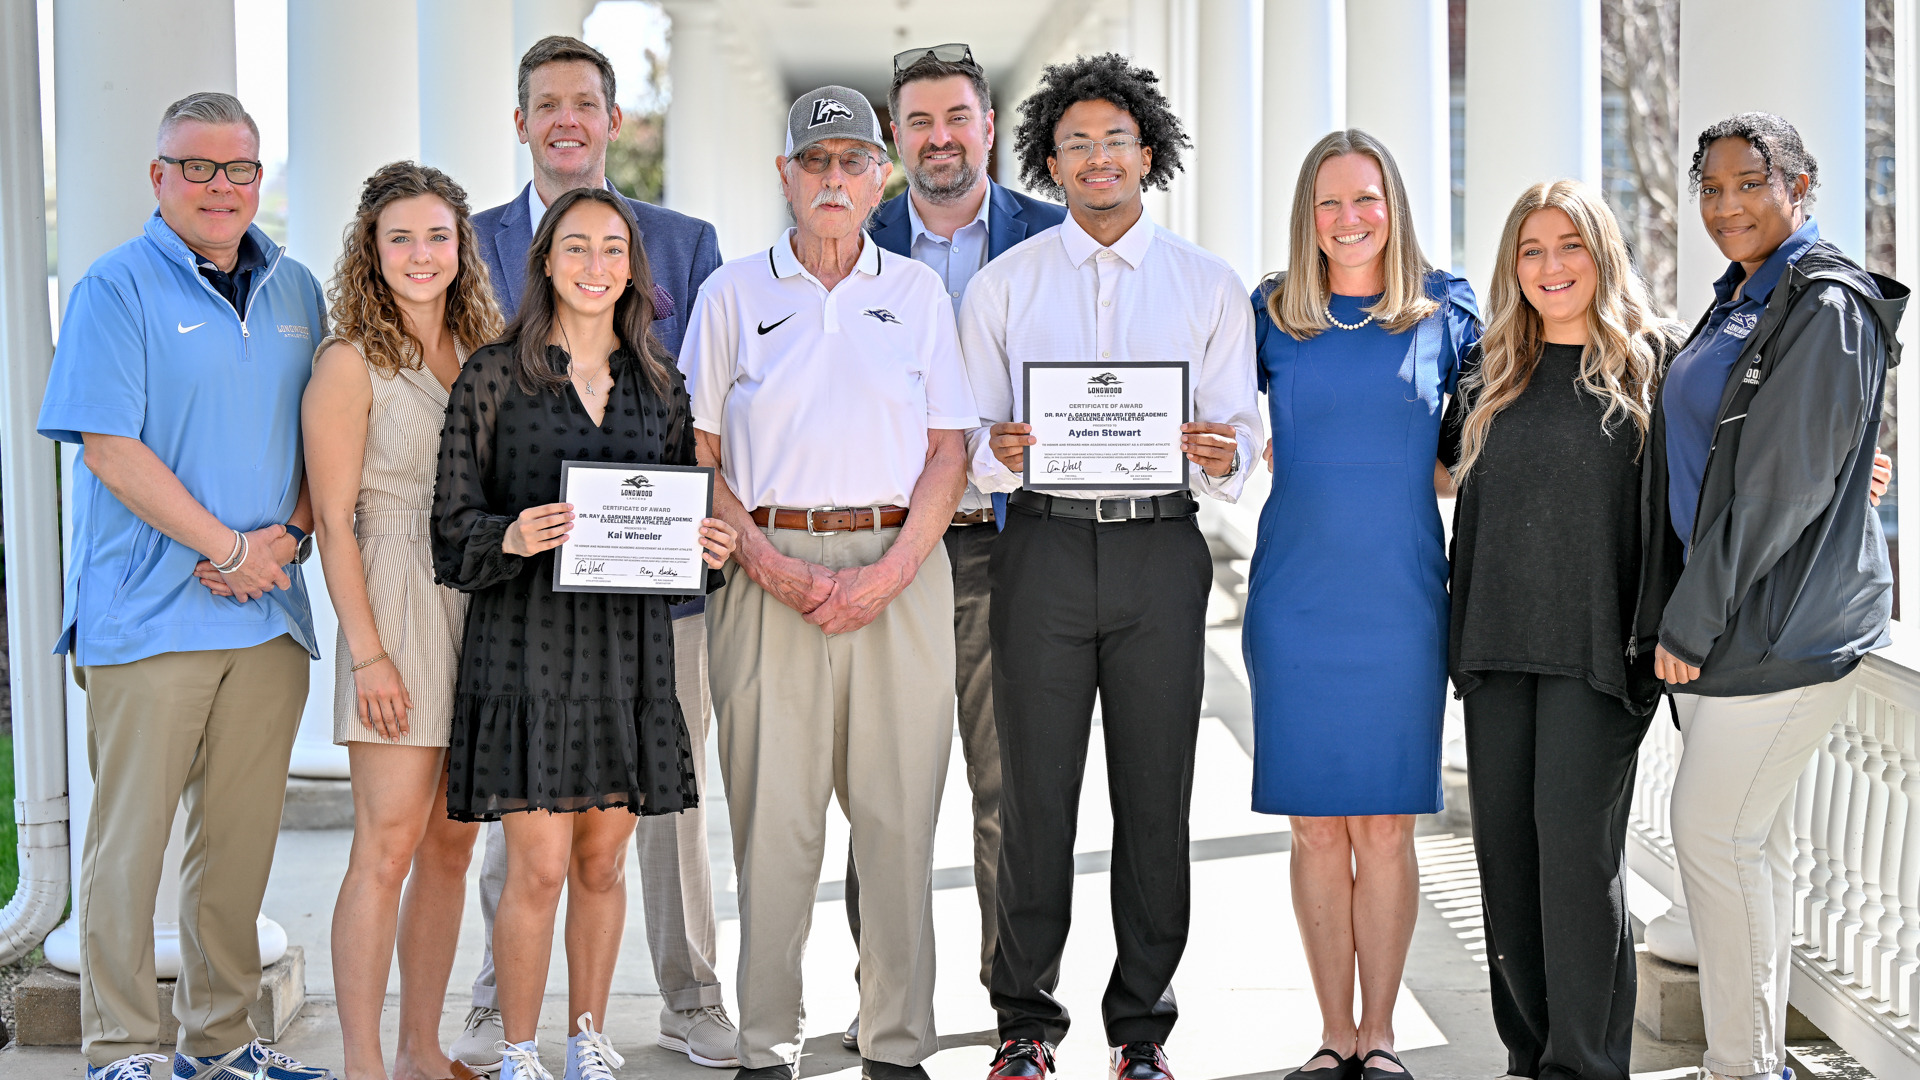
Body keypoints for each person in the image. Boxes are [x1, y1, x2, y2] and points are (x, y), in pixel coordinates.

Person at [960, 54, 1260, 1080]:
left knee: (1154, 792)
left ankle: (1140, 1031)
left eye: (1115, 139)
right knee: (1034, 797)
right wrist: (992, 449)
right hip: (1040, 545)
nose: (1098, 157)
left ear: (1148, 152)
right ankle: (1024, 1025)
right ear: (1050, 159)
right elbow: (968, 442)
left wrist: (1225, 453)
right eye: (1076, 142)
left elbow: (1240, 440)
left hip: (1158, 551)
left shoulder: (1209, 286)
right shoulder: (1005, 287)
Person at [678, 85, 978, 1080]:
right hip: (769, 577)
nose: (835, 179)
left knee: (897, 827)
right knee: (774, 825)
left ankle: (896, 1047)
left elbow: (948, 450)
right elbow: (698, 448)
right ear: (787, 177)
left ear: (880, 174)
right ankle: (766, 1048)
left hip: (901, 571)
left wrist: (892, 573)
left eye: (853, 162)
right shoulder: (734, 294)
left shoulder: (920, 295)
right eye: (817, 164)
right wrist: (768, 564)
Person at [452, 35, 738, 1073]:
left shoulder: (683, 243)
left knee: (655, 815)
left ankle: (689, 997)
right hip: (520, 596)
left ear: (614, 120)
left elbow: (698, 415)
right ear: (519, 120)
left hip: (647, 604)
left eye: (586, 102)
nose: (566, 119)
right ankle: (501, 1007)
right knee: (519, 821)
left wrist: (704, 541)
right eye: (546, 104)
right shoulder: (470, 243)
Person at [37, 91, 334, 1080]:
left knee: (239, 850)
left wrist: (283, 539)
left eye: (238, 168)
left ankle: (223, 1044)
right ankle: (120, 1047)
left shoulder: (296, 289)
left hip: (267, 618)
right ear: (158, 177)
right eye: (196, 168)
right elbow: (112, 451)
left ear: (259, 177)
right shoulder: (114, 289)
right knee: (130, 851)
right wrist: (228, 547)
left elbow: (322, 434)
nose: (219, 187)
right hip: (147, 618)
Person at [1637, 113, 1908, 1080]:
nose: (1725, 205)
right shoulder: (1745, 295)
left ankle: (1743, 1067)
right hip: (1734, 614)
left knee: (1712, 837)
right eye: (1711, 188)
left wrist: (1694, 615)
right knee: (1751, 847)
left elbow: (1781, 489)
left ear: (1802, 185)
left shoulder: (1823, 303)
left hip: (1777, 624)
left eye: (1749, 183)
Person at [843, 41, 1066, 1046]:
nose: (940, 138)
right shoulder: (848, 237)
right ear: (896, 139)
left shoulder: (1057, 238)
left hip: (1014, 548)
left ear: (988, 127)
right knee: (883, 792)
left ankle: (1017, 1006)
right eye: (920, 122)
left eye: (958, 118)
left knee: (1010, 790)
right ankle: (883, 1000)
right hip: (893, 551)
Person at [1246, 129, 1479, 1080]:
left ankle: (1379, 1036)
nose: (1350, 219)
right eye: (1330, 201)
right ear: (1308, 214)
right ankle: (1331, 1033)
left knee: (1385, 824)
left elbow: (1474, 446)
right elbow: (1215, 420)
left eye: (1367, 198)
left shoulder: (1448, 310)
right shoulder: (1268, 312)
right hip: (1297, 595)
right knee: (1313, 825)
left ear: (1396, 206)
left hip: (1401, 595)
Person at [1438, 180, 1678, 1080]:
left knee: (1578, 864)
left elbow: (1736, 474)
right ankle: (1528, 1055)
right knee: (1507, 859)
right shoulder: (1491, 367)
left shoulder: (1657, 364)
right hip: (1497, 646)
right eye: (1531, 251)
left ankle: (1584, 1064)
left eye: (1569, 246)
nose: (1550, 267)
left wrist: (1857, 476)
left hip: (1600, 654)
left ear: (1602, 254)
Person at [299, 162, 502, 1080]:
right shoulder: (350, 363)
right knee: (385, 846)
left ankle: (424, 1050)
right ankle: (364, 1065)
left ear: (461, 248)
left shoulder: (490, 348)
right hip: (397, 598)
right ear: (370, 253)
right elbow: (335, 523)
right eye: (400, 239)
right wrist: (369, 656)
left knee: (454, 844)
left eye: (437, 237)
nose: (421, 256)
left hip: (485, 604)